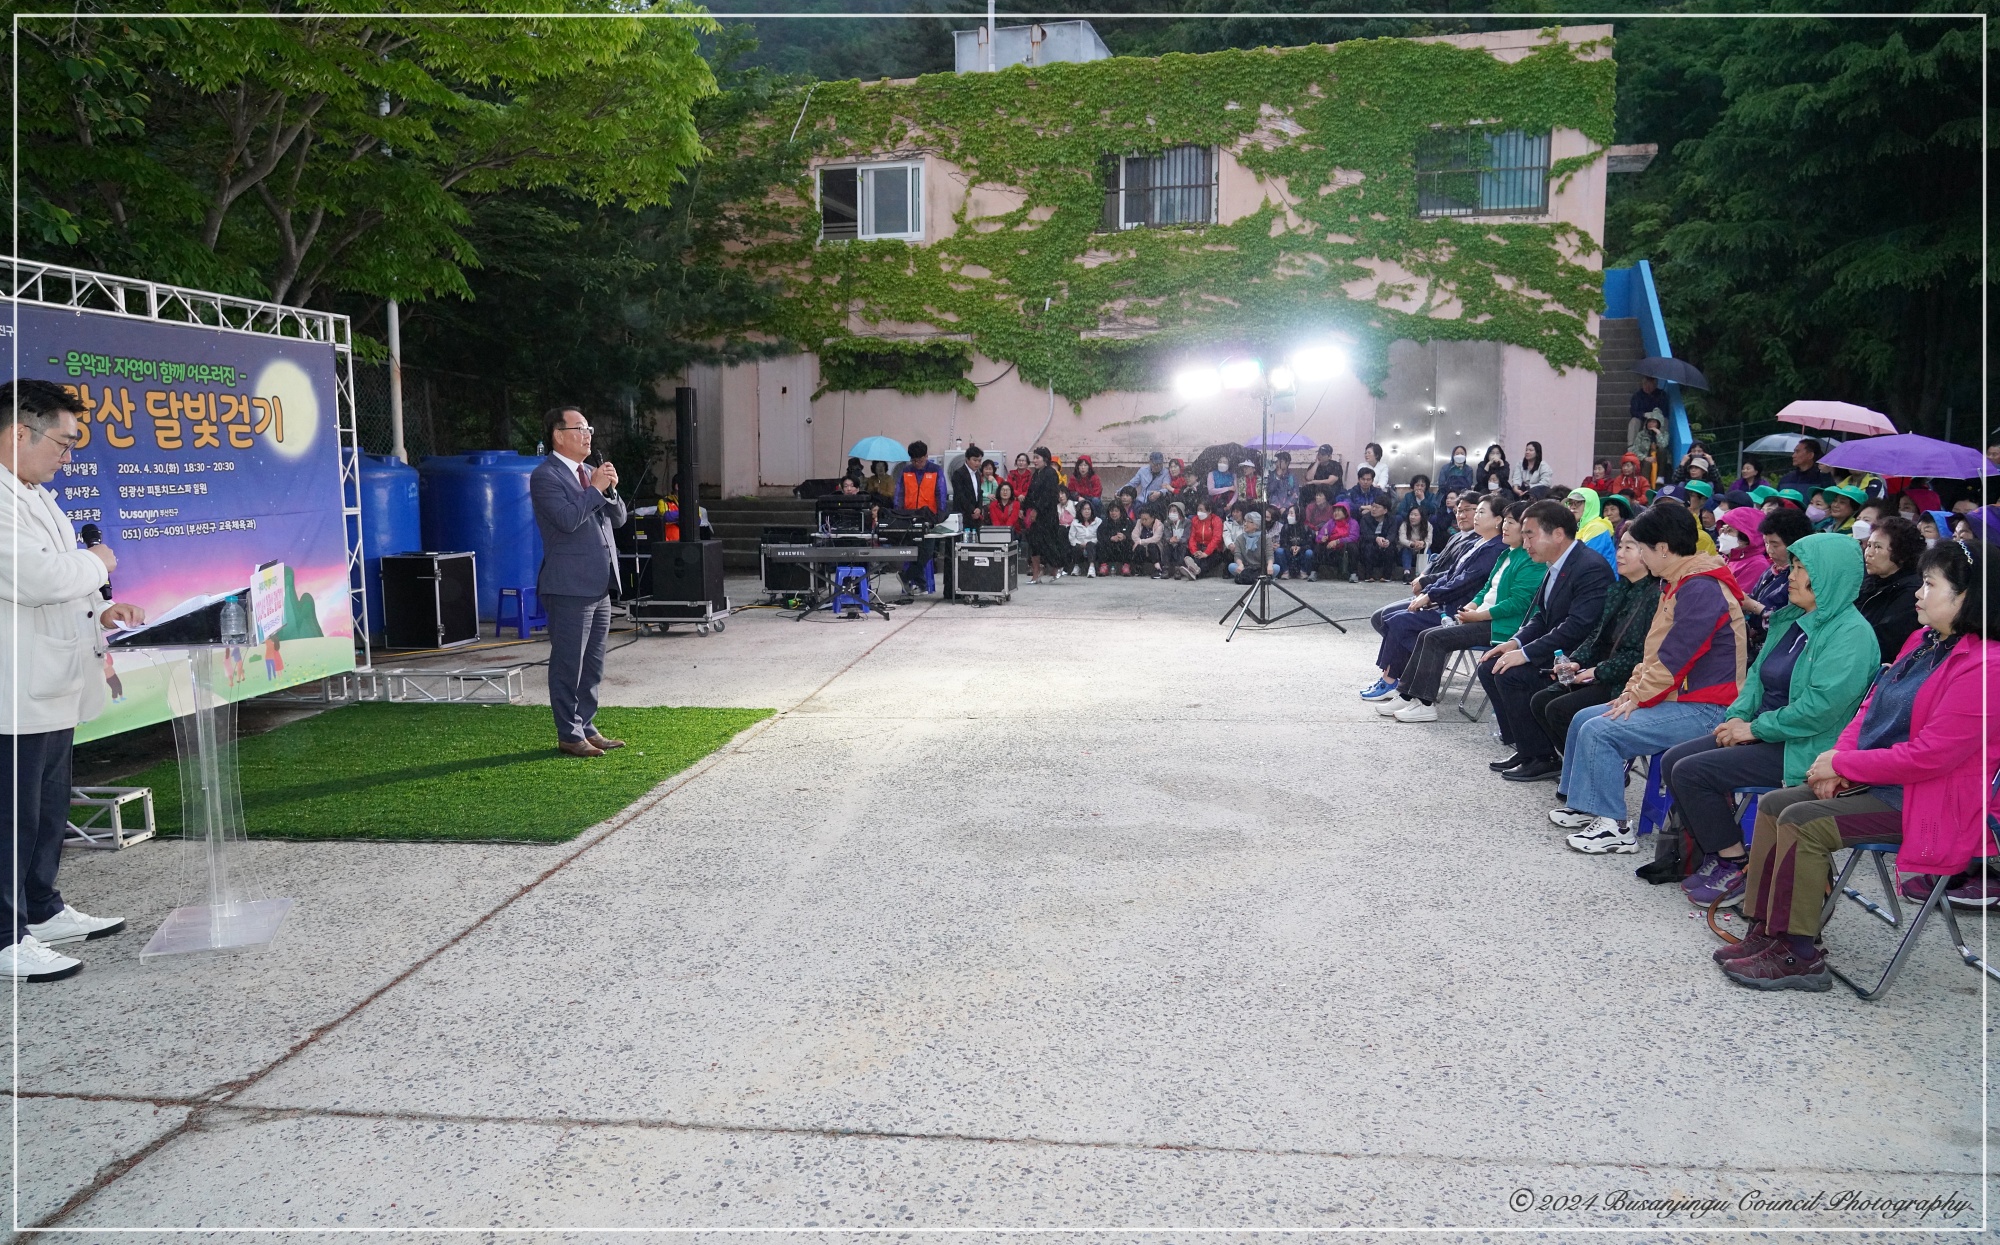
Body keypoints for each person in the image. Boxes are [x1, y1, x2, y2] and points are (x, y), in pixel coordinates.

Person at [1724, 538, 1999, 990]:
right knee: (1775, 805)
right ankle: (1766, 929)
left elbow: (1932, 756)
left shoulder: (1986, 667)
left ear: (1968, 596)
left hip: (1929, 800)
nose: (1918, 593)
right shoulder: (1924, 641)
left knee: (1804, 823)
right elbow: (1869, 708)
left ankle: (1798, 954)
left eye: (1930, 584)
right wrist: (1838, 760)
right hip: (1879, 780)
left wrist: (1847, 766)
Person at [1, 379, 140, 982]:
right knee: (12, 816)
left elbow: (64, 582)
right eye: (63, 443)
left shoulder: (33, 494)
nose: (67, 457)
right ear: (18, 433)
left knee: (46, 808)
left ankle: (41, 907)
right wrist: (97, 563)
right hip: (13, 687)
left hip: (51, 682)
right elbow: (36, 579)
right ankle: (4, 937)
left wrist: (101, 608)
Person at [1661, 533, 1877, 908]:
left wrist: (1753, 729)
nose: (1791, 575)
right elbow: (1756, 678)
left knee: (1693, 772)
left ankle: (1733, 861)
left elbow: (1819, 709)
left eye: (1802, 568)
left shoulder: (1852, 634)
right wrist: (1737, 717)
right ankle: (1719, 851)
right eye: (1792, 566)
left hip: (1804, 745)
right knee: (1673, 760)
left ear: (1829, 575)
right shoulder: (1792, 619)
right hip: (1765, 730)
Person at [1545, 503, 1747, 852]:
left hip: (1708, 707)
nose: (1638, 555)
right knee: (1583, 718)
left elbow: (1673, 661)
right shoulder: (1679, 583)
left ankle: (1615, 828)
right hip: (1680, 697)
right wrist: (1631, 692)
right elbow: (1653, 654)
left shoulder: (1700, 589)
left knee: (1602, 730)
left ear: (1663, 549)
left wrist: (1638, 697)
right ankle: (1587, 804)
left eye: (1641, 548)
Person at [1477, 498, 1617, 779]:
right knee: (1491, 666)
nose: (1525, 543)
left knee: (1510, 674)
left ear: (1558, 534)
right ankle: (1527, 747)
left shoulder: (1590, 567)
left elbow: (1578, 626)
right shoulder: (1555, 563)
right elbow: (1542, 616)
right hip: (1557, 648)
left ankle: (1543, 757)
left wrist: (1526, 654)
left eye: (1530, 535)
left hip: (1578, 657)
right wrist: (1515, 643)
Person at [1384, 501, 1544, 721]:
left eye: (1511, 523)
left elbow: (1518, 603)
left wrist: (1478, 616)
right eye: (1505, 522)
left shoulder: (1531, 560)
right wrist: (1472, 606)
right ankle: (1406, 695)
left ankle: (1425, 704)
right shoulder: (1508, 553)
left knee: (1435, 638)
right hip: (1482, 617)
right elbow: (1486, 589)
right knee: (1427, 634)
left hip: (1502, 626)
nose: (1505, 527)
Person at [531, 405, 630, 759]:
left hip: (599, 584)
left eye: (589, 428)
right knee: (568, 664)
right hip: (569, 586)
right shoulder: (545, 476)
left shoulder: (590, 472)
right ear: (559, 435)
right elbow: (567, 519)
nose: (588, 434)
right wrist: (596, 489)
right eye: (580, 428)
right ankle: (569, 734)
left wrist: (610, 490)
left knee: (593, 664)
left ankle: (586, 726)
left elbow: (619, 520)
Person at [1526, 531, 1660, 775]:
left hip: (1625, 679)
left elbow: (1641, 656)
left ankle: (1599, 772)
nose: (1619, 554)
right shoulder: (1618, 590)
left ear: (1648, 553)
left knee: (1559, 710)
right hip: (1599, 670)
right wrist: (1575, 662)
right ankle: (1581, 769)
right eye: (1619, 546)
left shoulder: (1655, 597)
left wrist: (1597, 672)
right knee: (1540, 700)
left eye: (1628, 548)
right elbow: (1595, 635)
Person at [1364, 496, 1506, 701]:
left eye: (1480, 512)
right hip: (1445, 599)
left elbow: (1465, 581)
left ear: (1498, 520)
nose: (1474, 516)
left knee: (1399, 622)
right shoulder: (1478, 543)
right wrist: (1429, 592)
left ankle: (1395, 680)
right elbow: (1450, 574)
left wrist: (1431, 595)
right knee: (1392, 619)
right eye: (1474, 512)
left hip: (1459, 607)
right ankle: (1402, 679)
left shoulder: (1495, 548)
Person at [1854, 514, 1924, 663]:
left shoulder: (1912, 592)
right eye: (1869, 545)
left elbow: (1885, 642)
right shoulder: (1870, 580)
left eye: (1878, 547)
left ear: (1901, 554)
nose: (1868, 553)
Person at [1023, 447, 1066, 584]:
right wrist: (1024, 508)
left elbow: (1048, 495)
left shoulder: (1051, 473)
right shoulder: (1036, 474)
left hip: (1047, 516)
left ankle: (1057, 568)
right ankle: (1036, 574)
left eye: (1037, 458)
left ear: (1045, 459)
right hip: (1035, 517)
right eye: (1034, 458)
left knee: (1049, 544)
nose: (1034, 461)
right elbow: (1030, 493)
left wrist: (1037, 509)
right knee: (1034, 544)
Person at [1715, 506, 1770, 595]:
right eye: (1723, 529)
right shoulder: (1727, 558)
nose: (1723, 535)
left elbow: (1737, 597)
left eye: (1729, 531)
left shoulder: (1757, 564)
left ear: (1746, 537)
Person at [894, 440, 948, 518]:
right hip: (908, 515)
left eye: (920, 461)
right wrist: (898, 513)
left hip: (930, 515)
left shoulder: (936, 471)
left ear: (926, 456)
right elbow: (899, 494)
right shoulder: (905, 471)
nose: (916, 463)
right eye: (913, 460)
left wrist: (941, 514)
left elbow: (941, 494)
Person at [1565, 487, 1617, 562]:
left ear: (1590, 504)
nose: (1573, 507)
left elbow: (1584, 559)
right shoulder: (1579, 527)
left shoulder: (1597, 527)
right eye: (1570, 503)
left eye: (1578, 502)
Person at [1317, 501, 1360, 582]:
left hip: (1344, 548)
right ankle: (1314, 571)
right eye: (1334, 511)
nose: (1335, 513)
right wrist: (1322, 538)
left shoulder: (1353, 523)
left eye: (1338, 511)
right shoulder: (1330, 523)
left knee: (1353, 547)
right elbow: (1320, 535)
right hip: (1331, 549)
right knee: (1319, 546)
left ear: (1346, 512)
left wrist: (1338, 541)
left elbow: (1354, 537)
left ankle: (1354, 573)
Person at [1227, 508, 1272, 583]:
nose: (1245, 524)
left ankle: (1249, 578)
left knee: (1276, 568)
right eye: (1245, 521)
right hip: (1246, 567)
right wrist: (1240, 565)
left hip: (1261, 567)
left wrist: (1269, 565)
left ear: (1256, 525)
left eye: (1248, 522)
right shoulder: (1240, 538)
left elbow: (1269, 555)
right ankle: (1258, 578)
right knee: (1231, 566)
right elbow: (1237, 555)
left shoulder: (1265, 538)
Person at [1358, 497, 1398, 582]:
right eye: (1373, 506)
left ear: (1385, 510)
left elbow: (1392, 533)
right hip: (1370, 543)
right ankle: (1368, 575)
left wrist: (1387, 540)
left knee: (1390, 548)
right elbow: (1364, 534)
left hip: (1384, 544)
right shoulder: (1365, 518)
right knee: (1368, 547)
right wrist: (1376, 538)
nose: (1373, 509)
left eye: (1377, 507)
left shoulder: (1392, 519)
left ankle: (1387, 576)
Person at [1184, 498, 1225, 579]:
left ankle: (1194, 572)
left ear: (1209, 511)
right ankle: (1193, 570)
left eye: (1201, 510)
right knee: (1195, 558)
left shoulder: (1216, 520)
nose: (1199, 512)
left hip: (1213, 550)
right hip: (1199, 548)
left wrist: (1206, 553)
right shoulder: (1195, 520)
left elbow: (1217, 538)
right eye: (1198, 510)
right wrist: (1194, 551)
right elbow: (1192, 537)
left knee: (1208, 561)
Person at [1627, 374, 1669, 449]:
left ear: (1655, 385)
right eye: (1645, 384)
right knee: (1634, 421)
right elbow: (1633, 411)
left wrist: (1655, 415)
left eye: (1650, 385)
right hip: (1643, 419)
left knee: (1665, 421)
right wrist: (1643, 414)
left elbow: (1665, 412)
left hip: (1656, 420)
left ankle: (1662, 445)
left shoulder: (1661, 395)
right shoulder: (1637, 396)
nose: (1647, 387)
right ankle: (1631, 446)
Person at [948, 445, 985, 528]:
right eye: (974, 460)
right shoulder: (958, 474)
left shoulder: (978, 474)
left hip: (976, 516)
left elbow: (979, 493)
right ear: (967, 459)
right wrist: (972, 510)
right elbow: (960, 495)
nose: (977, 463)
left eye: (979, 461)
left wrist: (979, 508)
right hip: (963, 514)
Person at [1275, 503, 1314, 580]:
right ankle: (1285, 571)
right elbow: (1283, 543)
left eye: (1291, 513)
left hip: (1302, 553)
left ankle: (1303, 571)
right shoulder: (1285, 527)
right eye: (1288, 513)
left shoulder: (1306, 528)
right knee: (1279, 551)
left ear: (1298, 515)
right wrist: (1291, 548)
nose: (1289, 515)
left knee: (1309, 552)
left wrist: (1300, 548)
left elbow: (1310, 544)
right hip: (1288, 553)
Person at [1099, 499, 1135, 575]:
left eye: (1116, 511)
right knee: (1100, 545)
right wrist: (1110, 538)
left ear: (1121, 511)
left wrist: (1124, 537)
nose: (1113, 513)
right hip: (1109, 550)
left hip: (1122, 549)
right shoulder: (1105, 523)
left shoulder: (1128, 522)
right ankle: (1103, 565)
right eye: (1111, 511)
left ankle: (1126, 565)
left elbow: (1133, 536)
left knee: (1129, 544)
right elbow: (1100, 536)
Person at [1395, 506, 1431, 582]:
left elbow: (1429, 541)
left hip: (1420, 550)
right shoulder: (1405, 525)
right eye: (1411, 514)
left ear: (1421, 517)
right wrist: (1412, 544)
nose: (1412, 517)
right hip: (1405, 553)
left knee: (1427, 550)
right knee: (1406, 549)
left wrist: (1422, 543)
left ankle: (1424, 574)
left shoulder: (1428, 525)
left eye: (1415, 515)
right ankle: (1406, 573)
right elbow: (1402, 539)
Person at [1628, 415, 1667, 482]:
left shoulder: (1664, 434)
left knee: (1662, 450)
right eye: (1649, 422)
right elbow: (1635, 449)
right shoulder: (1641, 434)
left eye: (1654, 422)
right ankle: (1645, 484)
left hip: (1659, 458)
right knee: (1647, 463)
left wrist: (1658, 433)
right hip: (1645, 457)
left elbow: (1663, 445)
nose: (1651, 424)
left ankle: (1660, 477)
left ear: (1658, 423)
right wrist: (1645, 458)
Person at [1131, 507, 1167, 577]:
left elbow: (1156, 539)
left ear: (1152, 518)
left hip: (1155, 549)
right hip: (1143, 549)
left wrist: (1141, 541)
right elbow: (1134, 535)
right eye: (1142, 519)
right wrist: (1139, 542)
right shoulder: (1139, 522)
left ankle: (1158, 568)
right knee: (1138, 547)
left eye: (1146, 519)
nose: (1143, 521)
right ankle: (1139, 568)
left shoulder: (1159, 525)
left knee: (1151, 545)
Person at [1068, 500, 1102, 576]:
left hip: (1093, 545)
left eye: (1088, 509)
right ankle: (1077, 566)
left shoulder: (1098, 521)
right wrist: (1080, 544)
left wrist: (1088, 544)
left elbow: (1099, 536)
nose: (1087, 511)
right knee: (1075, 547)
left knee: (1090, 545)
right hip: (1080, 544)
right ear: (1080, 511)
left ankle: (1091, 567)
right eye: (1084, 509)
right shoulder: (1075, 522)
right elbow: (1072, 538)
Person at [1163, 501, 1190, 573]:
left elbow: (1186, 537)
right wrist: (1170, 539)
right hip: (1171, 543)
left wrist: (1179, 540)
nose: (1172, 513)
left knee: (1181, 547)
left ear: (1180, 512)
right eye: (1170, 511)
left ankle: (1178, 569)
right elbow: (1166, 535)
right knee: (1166, 546)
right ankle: (1166, 569)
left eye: (1174, 511)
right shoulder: (1166, 522)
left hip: (1182, 544)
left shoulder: (1187, 522)